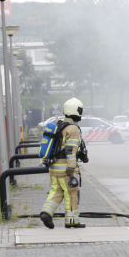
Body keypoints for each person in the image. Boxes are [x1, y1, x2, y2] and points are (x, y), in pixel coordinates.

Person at [40, 98, 86, 229]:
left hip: (53, 167)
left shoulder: (59, 125)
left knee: (56, 191)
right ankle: (72, 221)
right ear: (76, 110)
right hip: (65, 168)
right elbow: (70, 149)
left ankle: (46, 213)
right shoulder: (73, 128)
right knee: (71, 192)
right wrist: (71, 167)